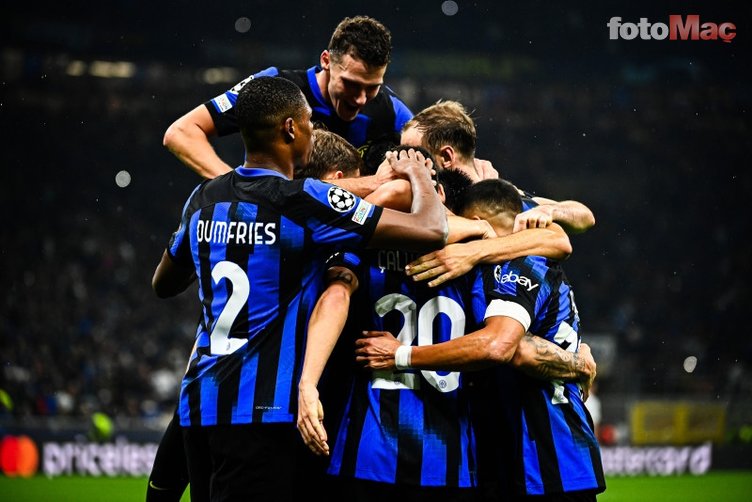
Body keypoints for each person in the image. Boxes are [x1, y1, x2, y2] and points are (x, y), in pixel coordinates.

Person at [151, 76, 448, 501]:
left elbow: (164, 283)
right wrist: (419, 173)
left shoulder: (203, 198)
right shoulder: (303, 200)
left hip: (198, 408)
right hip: (259, 411)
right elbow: (431, 229)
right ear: (291, 129)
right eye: (309, 122)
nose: (313, 130)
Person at [297, 164, 598, 502]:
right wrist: (577, 361)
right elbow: (560, 239)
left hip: (368, 448)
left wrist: (310, 382)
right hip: (453, 457)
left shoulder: (360, 245)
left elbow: (504, 344)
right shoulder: (483, 260)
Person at [145, 126, 365, 502]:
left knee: (169, 482)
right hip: (262, 408)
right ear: (338, 180)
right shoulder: (315, 227)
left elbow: (164, 284)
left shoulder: (211, 203)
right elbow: (338, 294)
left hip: (202, 393)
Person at [163, 15, 411, 180]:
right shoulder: (274, 87)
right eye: (351, 84)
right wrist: (235, 188)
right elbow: (182, 132)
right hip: (276, 231)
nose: (360, 99)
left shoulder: (390, 109)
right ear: (326, 61)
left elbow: (430, 166)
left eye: (372, 88)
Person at [399, 100, 596, 287]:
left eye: (415, 155)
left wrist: (551, 211)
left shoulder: (500, 201)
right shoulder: (427, 200)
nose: (406, 164)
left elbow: (574, 227)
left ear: (446, 156)